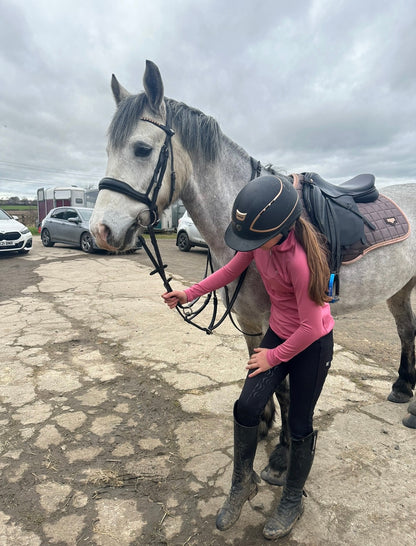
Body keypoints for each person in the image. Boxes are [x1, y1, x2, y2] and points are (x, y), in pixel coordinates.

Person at [162, 175, 334, 540]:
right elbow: (229, 269)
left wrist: (273, 357)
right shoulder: (261, 242)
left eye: (257, 241)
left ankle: (292, 498)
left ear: (281, 230)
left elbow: (312, 328)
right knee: (246, 406)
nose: (252, 246)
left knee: (300, 423)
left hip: (311, 345)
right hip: (281, 333)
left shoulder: (300, 263)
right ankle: (243, 482)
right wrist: (189, 293)